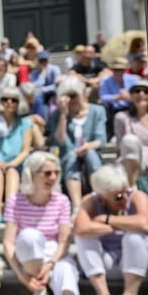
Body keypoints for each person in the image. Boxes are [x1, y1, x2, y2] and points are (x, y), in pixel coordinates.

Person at [1, 152, 84, 295]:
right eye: (47, 173)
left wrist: (50, 265)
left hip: (54, 253)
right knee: (29, 236)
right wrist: (23, 277)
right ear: (32, 175)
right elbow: (8, 242)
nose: (53, 178)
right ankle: (40, 288)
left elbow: (65, 240)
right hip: (27, 250)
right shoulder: (15, 200)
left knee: (66, 274)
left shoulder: (62, 200)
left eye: (56, 173)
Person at [73, 164, 148, 295]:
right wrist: (118, 227)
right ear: (102, 196)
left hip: (137, 263)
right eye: (118, 196)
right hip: (106, 263)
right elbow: (80, 228)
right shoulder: (90, 201)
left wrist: (107, 220)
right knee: (83, 237)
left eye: (126, 192)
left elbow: (145, 224)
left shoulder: (138, 196)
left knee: (134, 236)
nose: (125, 198)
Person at [50, 76, 107, 209]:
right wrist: (63, 115)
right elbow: (60, 141)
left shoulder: (97, 111)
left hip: (91, 153)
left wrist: (88, 146)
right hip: (68, 156)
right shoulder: (57, 115)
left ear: (82, 94)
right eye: (67, 96)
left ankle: (99, 202)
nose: (71, 100)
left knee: (91, 154)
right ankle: (76, 205)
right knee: (70, 156)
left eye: (73, 95)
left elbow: (101, 140)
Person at [0, 87, 35, 223]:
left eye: (14, 100)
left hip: (18, 164)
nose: (9, 102)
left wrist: (12, 163)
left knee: (12, 171)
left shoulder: (25, 124)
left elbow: (25, 150)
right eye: (5, 99)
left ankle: (10, 211)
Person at [99, 57, 140, 140]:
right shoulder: (105, 81)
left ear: (125, 70)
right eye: (115, 70)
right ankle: (110, 134)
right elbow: (103, 97)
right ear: (112, 70)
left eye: (121, 70)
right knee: (104, 106)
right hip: (113, 109)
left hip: (131, 106)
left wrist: (130, 97)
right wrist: (117, 97)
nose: (118, 72)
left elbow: (139, 93)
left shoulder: (134, 79)